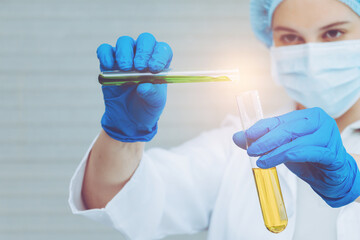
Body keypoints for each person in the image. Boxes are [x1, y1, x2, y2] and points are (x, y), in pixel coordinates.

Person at [68, 0, 360, 239]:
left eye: (333, 33)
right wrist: (123, 135)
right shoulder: (237, 143)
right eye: (290, 37)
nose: (309, 53)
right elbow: (122, 199)